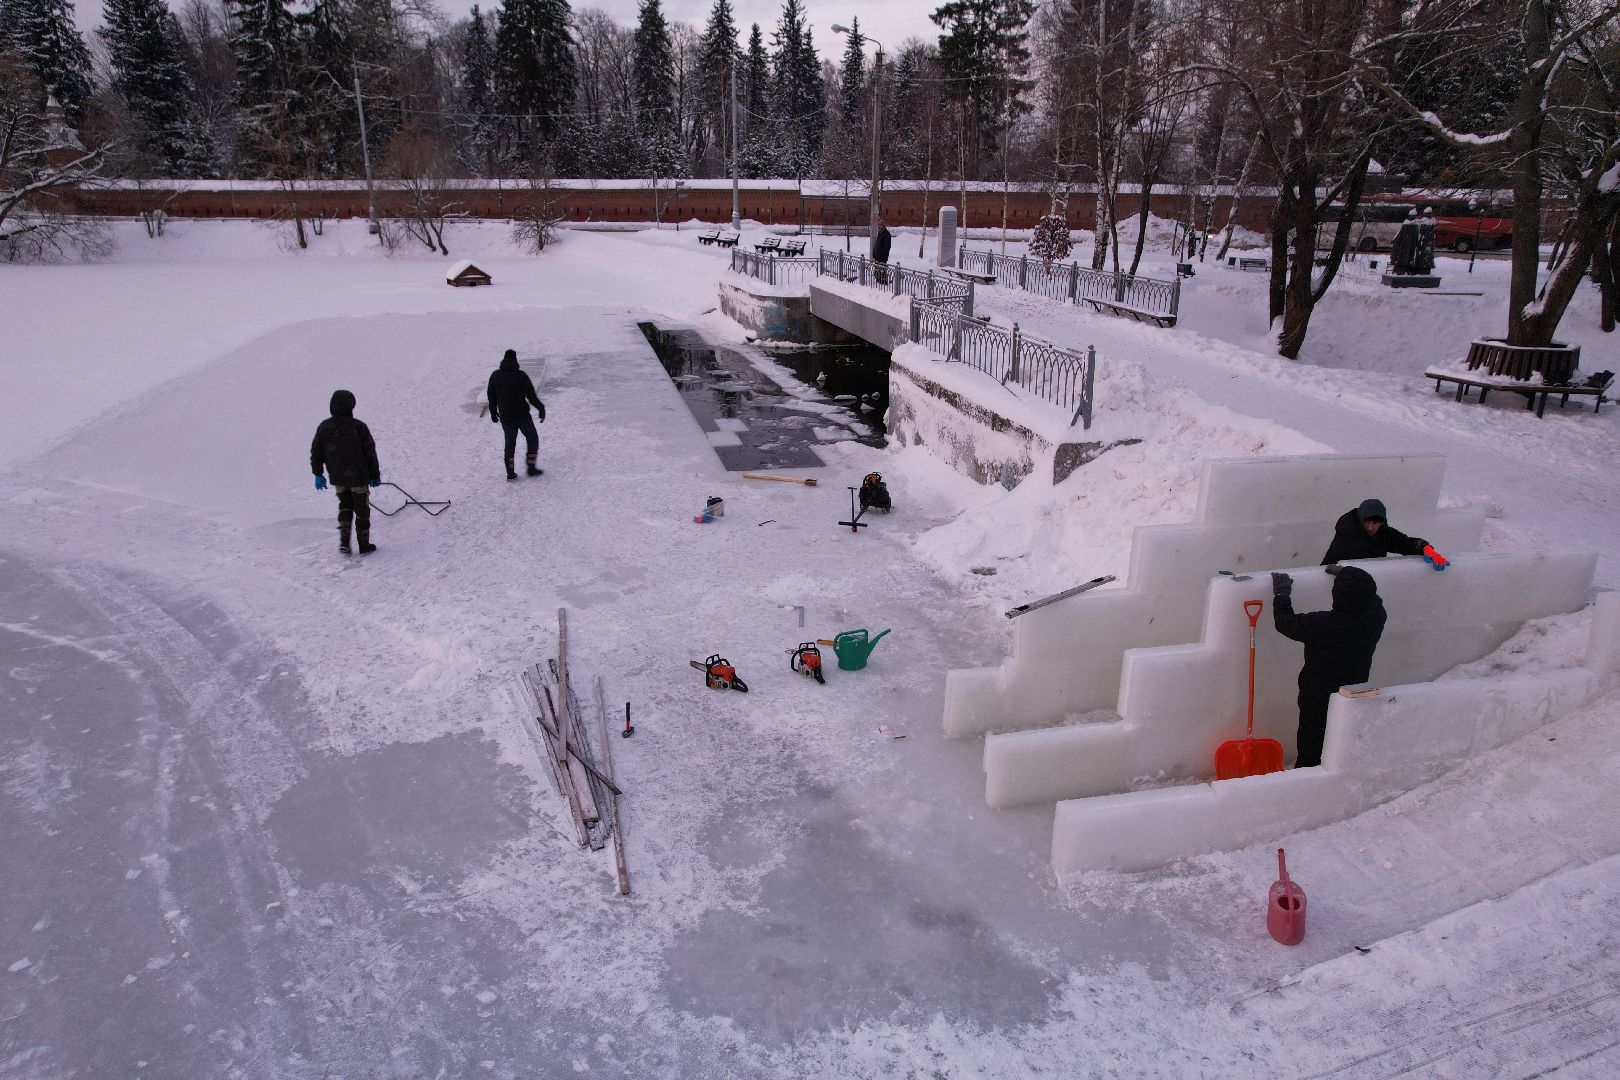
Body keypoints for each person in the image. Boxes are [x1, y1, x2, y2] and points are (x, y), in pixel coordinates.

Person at [1271, 565, 1386, 768]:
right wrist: (1347, 576)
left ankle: (1307, 780)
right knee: (1342, 741)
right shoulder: (1376, 617)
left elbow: (1285, 623)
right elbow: (1371, 597)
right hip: (1351, 692)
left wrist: (1282, 595)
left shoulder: (1324, 624)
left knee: (1311, 747)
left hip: (1318, 697)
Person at [310, 389, 381, 555]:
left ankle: (344, 542)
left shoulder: (324, 427)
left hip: (338, 477)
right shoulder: (359, 427)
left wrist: (318, 473)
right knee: (361, 509)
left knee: (345, 506)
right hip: (359, 476)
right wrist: (374, 475)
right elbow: (370, 452)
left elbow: (317, 452)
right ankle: (364, 544)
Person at [487, 349, 546, 481]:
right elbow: (531, 396)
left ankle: (510, 473)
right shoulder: (520, 375)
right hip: (522, 416)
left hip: (506, 417)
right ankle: (531, 467)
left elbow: (491, 396)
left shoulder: (495, 376)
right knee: (532, 439)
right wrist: (541, 408)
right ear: (515, 360)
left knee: (510, 444)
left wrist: (493, 412)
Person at [1321, 498, 1429, 565]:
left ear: (1382, 522)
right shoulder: (1348, 537)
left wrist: (1424, 548)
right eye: (1367, 522)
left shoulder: (1382, 533)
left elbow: (1403, 543)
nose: (1371, 527)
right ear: (1360, 519)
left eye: (1376, 523)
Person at [871, 217, 892, 283]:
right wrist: (874, 253)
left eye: (880, 225)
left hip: (882, 258)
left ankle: (883, 283)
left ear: (883, 226)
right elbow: (877, 245)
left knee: (882, 272)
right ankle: (879, 282)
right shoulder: (880, 233)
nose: (878, 227)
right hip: (877, 257)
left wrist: (882, 255)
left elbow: (887, 247)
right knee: (877, 272)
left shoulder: (886, 234)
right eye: (878, 225)